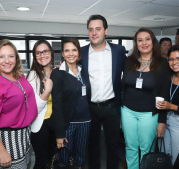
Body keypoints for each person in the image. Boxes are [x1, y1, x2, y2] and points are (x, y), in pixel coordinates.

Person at [0, 39, 38, 169]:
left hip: (24, 136)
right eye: (1, 57)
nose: (7, 61)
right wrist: (1, 151)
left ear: (16, 58)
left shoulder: (19, 76)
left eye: (11, 56)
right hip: (7, 139)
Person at [80, 14, 126, 169]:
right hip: (90, 106)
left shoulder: (119, 51)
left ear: (106, 31)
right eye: (91, 29)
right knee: (92, 144)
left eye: (98, 29)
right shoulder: (82, 52)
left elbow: (129, 72)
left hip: (112, 106)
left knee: (112, 145)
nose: (94, 33)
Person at [121, 27, 170, 169]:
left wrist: (162, 121)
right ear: (136, 44)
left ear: (153, 41)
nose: (144, 43)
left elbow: (165, 94)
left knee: (146, 149)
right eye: (140, 40)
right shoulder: (129, 61)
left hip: (149, 114)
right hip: (127, 111)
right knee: (130, 147)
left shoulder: (163, 64)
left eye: (147, 39)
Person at [51, 37, 91, 168]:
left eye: (74, 50)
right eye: (67, 50)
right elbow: (56, 105)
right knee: (65, 159)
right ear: (62, 53)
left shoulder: (83, 70)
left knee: (81, 158)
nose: (71, 53)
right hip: (68, 124)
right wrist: (59, 133)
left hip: (85, 122)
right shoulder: (57, 73)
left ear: (78, 52)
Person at [27, 40, 55, 169]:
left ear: (51, 52)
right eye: (38, 53)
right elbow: (33, 108)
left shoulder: (57, 72)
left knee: (53, 160)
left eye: (45, 51)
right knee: (41, 162)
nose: (42, 55)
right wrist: (47, 90)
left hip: (56, 123)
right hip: (40, 123)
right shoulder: (33, 75)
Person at [157, 45, 179, 165]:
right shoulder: (167, 77)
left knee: (177, 158)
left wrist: (171, 107)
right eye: (171, 59)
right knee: (164, 156)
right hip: (163, 119)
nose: (174, 62)